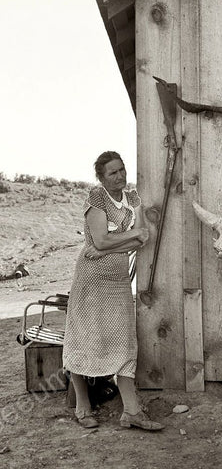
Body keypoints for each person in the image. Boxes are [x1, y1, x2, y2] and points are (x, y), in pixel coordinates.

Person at [63, 151, 164, 431]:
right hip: (91, 280)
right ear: (101, 177)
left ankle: (131, 412)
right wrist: (129, 235)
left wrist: (115, 242)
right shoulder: (97, 199)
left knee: (123, 340)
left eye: (121, 170)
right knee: (85, 338)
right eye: (112, 173)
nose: (120, 176)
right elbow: (101, 239)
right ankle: (83, 408)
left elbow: (139, 240)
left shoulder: (133, 200)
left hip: (118, 280)